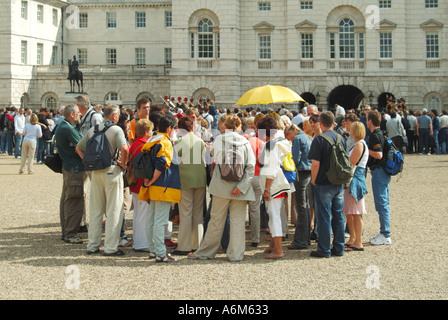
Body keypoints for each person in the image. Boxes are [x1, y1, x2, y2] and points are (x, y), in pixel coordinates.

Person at [188, 115, 255, 262]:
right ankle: (235, 254)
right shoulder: (245, 142)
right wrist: (241, 187)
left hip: (221, 185)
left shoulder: (220, 140)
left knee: (216, 221)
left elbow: (216, 157)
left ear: (225, 125)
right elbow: (250, 167)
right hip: (240, 185)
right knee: (237, 222)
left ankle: (206, 252)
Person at [76, 104, 129, 256]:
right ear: (114, 116)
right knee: (114, 210)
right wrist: (123, 164)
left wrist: (87, 161)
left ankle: (92, 245)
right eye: (118, 115)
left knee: (95, 209)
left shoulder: (93, 130)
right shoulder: (116, 129)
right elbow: (124, 148)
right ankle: (110, 247)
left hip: (95, 171)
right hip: (111, 170)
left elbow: (79, 148)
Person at [138, 114, 181, 263]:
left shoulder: (153, 139)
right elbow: (162, 163)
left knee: (152, 219)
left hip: (153, 185)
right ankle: (161, 253)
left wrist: (149, 180)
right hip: (163, 185)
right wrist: (153, 179)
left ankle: (153, 250)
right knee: (160, 221)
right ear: (169, 128)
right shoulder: (165, 142)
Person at [308, 111, 346, 258]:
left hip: (323, 182)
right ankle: (339, 247)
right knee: (338, 216)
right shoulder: (340, 138)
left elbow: (315, 164)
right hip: (338, 181)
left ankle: (324, 249)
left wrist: (314, 180)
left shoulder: (319, 140)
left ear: (321, 123)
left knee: (324, 217)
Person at [172, 116, 207, 255]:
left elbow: (175, 161)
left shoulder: (178, 142)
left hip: (185, 179)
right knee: (198, 213)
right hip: (199, 178)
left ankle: (184, 245)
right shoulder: (200, 141)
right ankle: (196, 244)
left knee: (185, 212)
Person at [257, 117, 291, 259]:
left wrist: (267, 188)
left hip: (273, 184)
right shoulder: (282, 141)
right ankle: (273, 245)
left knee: (273, 215)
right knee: (275, 213)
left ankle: (278, 250)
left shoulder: (272, 145)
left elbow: (271, 167)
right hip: (280, 182)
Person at [54, 104, 85, 244]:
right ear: (71, 114)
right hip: (74, 168)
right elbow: (81, 146)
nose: (80, 114)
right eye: (78, 112)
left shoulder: (63, 126)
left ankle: (66, 231)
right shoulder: (68, 128)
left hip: (68, 167)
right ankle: (70, 233)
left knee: (67, 199)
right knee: (74, 200)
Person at [366, 110, 392, 246]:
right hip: (383, 171)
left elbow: (378, 154)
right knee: (384, 202)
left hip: (379, 170)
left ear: (370, 121)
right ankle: (385, 232)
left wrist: (365, 149)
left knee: (381, 203)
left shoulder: (375, 135)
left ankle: (385, 234)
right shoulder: (381, 132)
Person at [129, 119, 154, 252]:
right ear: (145, 132)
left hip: (135, 183)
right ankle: (141, 243)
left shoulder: (135, 144)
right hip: (141, 183)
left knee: (138, 214)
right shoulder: (145, 145)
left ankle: (138, 241)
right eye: (150, 130)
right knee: (144, 214)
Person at [343, 121, 369, 251]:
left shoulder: (359, 145)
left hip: (355, 179)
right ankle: (353, 238)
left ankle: (358, 241)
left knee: (356, 212)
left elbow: (351, 163)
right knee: (350, 212)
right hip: (353, 178)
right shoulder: (357, 144)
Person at [288, 118, 313, 250]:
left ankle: (301, 240)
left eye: (289, 136)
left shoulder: (298, 139)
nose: (289, 139)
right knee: (306, 206)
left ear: (292, 132)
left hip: (301, 172)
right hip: (308, 172)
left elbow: (295, 158)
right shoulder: (307, 137)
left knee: (301, 206)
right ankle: (306, 237)